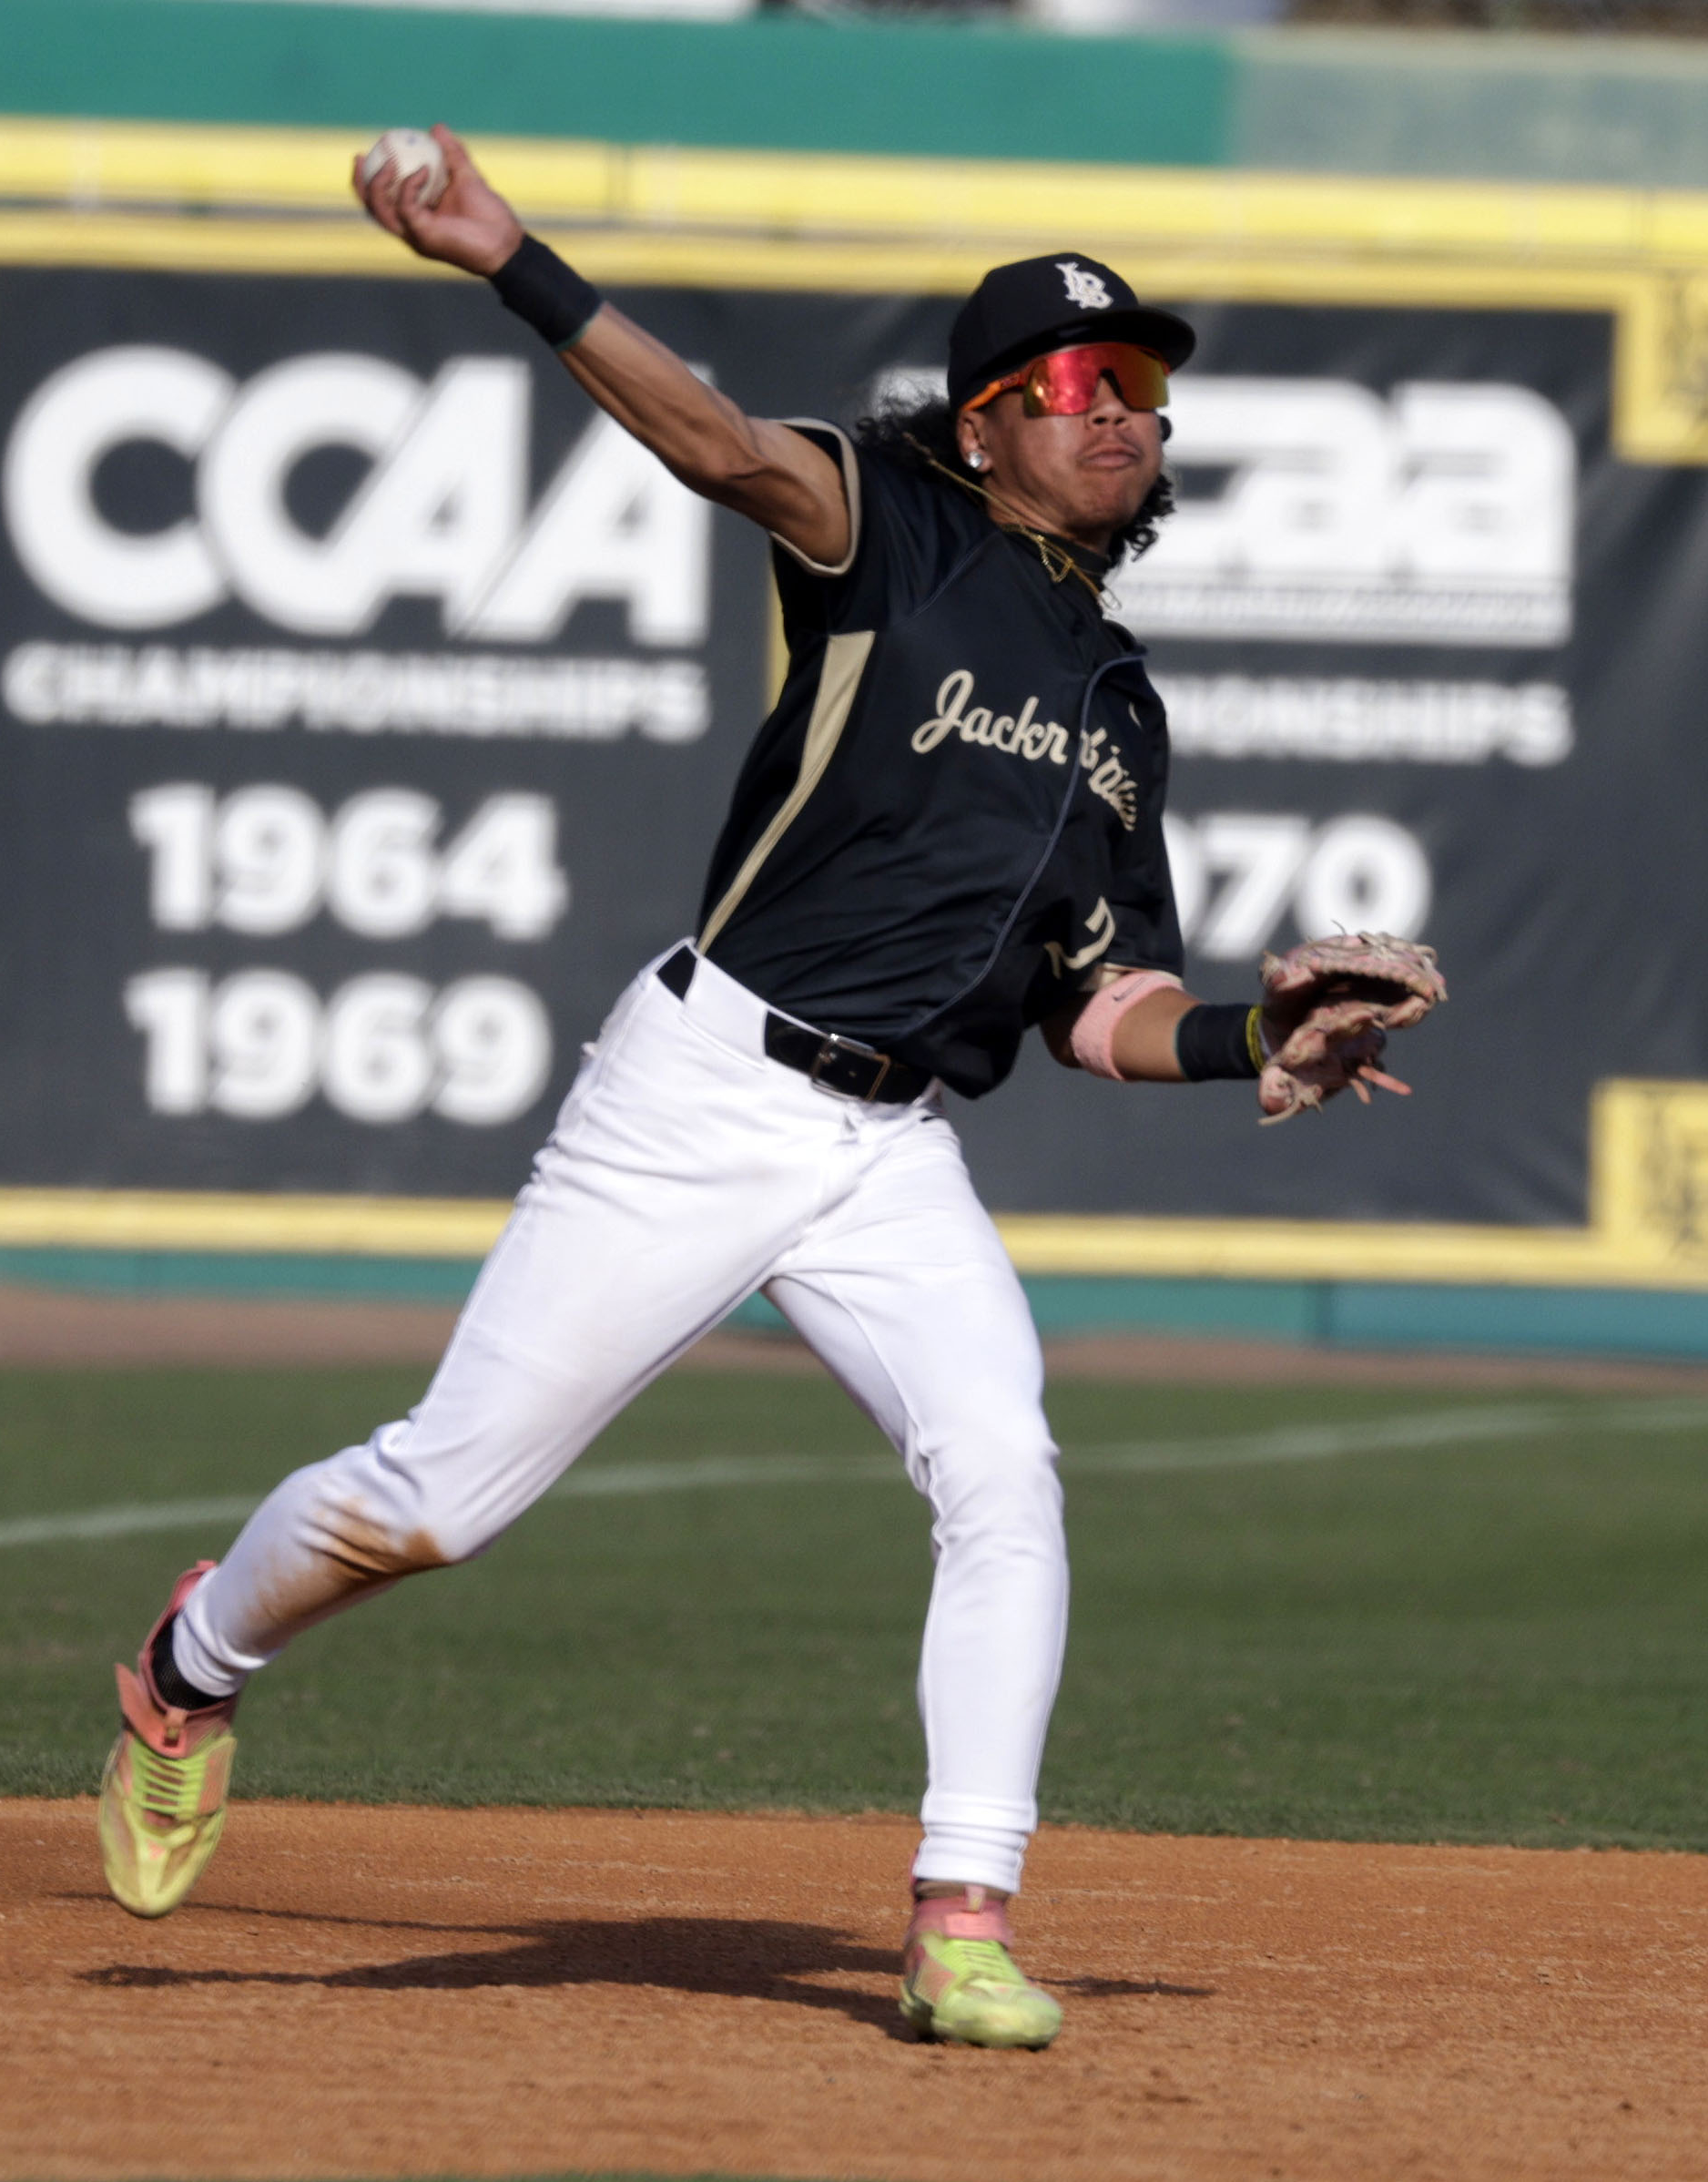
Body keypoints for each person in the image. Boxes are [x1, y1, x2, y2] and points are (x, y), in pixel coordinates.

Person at [95, 126, 1446, 2051]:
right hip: (705, 1092)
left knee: (1003, 1472)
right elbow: (724, 447)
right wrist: (509, 255)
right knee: (440, 1502)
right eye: (1075, 377)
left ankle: (961, 1916)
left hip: (888, 1148)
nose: (1118, 408)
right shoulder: (890, 527)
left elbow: (1100, 999)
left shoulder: (1121, 708)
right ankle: (191, 1659)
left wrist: (1257, 1032)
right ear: (983, 422)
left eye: (1140, 379)